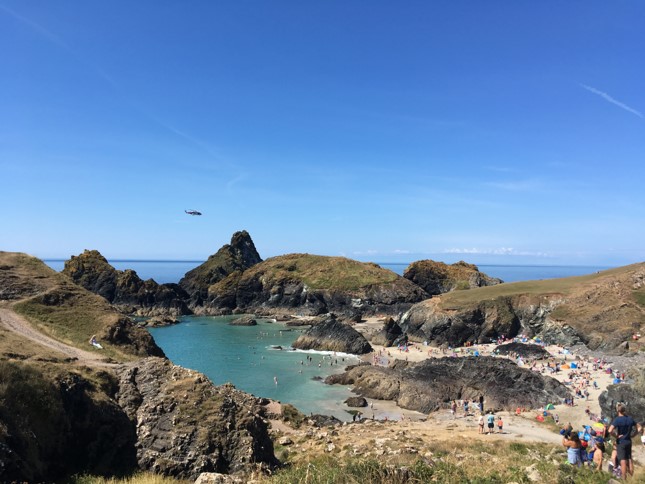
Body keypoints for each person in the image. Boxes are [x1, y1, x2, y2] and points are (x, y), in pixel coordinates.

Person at [608, 402, 637, 479]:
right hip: (628, 441)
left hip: (621, 442)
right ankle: (631, 476)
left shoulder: (617, 420)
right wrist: (634, 434)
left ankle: (624, 478)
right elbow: (639, 427)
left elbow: (610, 430)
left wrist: (616, 436)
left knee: (623, 460)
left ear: (618, 410)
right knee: (630, 458)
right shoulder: (629, 418)